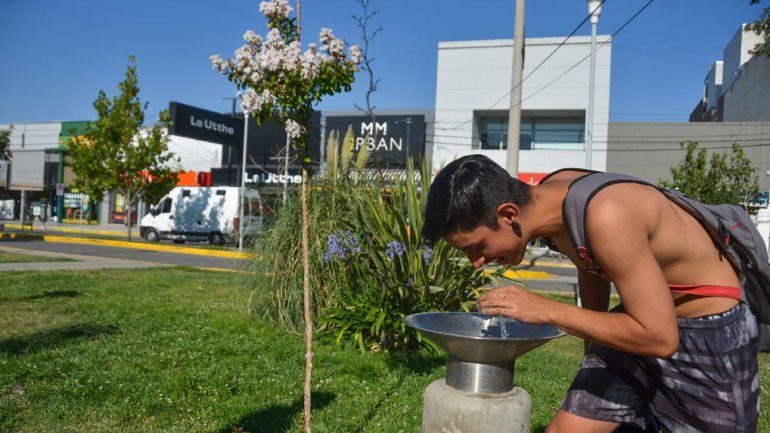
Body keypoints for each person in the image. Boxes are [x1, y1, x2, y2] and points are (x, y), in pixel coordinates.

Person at [421, 154, 759, 433]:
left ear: (509, 214)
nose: (477, 262)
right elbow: (588, 261)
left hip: (709, 332)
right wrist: (592, 352)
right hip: (642, 321)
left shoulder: (606, 214)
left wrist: (548, 310)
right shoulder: (553, 199)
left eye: (478, 247)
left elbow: (661, 338)